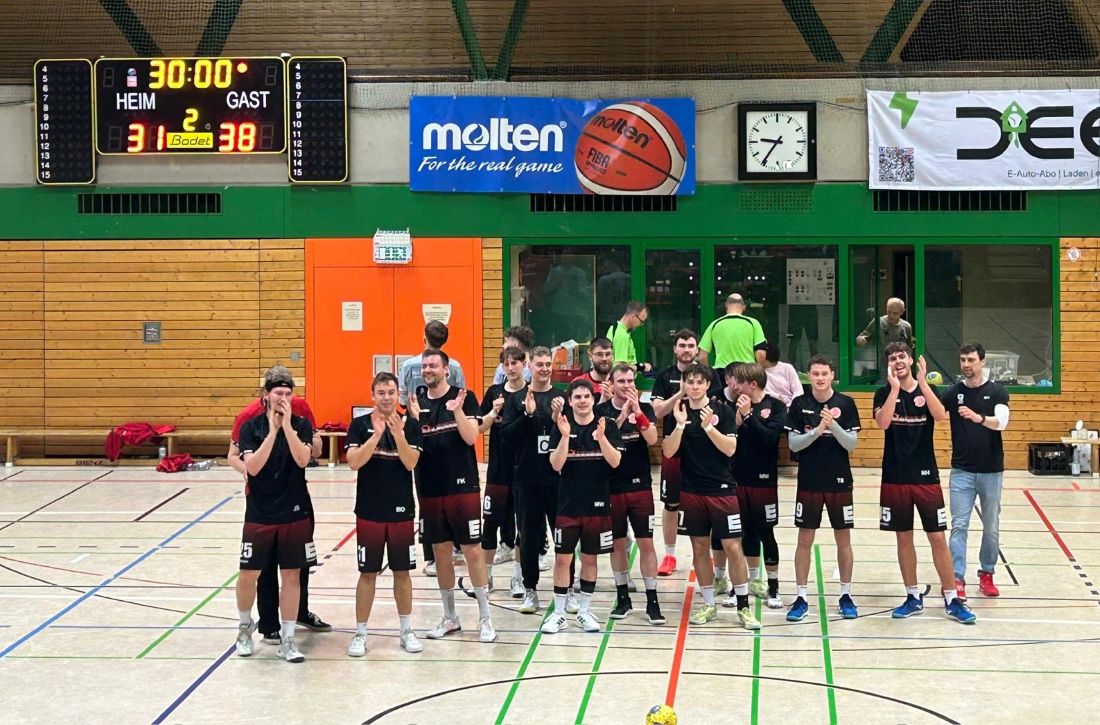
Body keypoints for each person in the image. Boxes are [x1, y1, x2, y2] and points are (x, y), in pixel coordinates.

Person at [874, 343, 976, 625]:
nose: (898, 361)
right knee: (903, 538)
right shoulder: (883, 393)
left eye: (902, 356)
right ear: (888, 364)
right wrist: (895, 390)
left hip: (926, 477)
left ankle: (951, 599)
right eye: (892, 358)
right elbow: (883, 423)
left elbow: (941, 416)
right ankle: (912, 596)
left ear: (910, 360)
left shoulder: (927, 389)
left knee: (937, 538)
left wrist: (922, 383)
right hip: (895, 477)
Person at [227, 365, 329, 645]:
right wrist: (250, 471)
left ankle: (298, 616)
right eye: (277, 393)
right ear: (266, 394)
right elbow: (234, 456)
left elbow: (313, 449)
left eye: (287, 393)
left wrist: (300, 436)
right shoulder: (249, 419)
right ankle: (267, 624)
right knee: (263, 567)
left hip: (294, 499)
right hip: (261, 500)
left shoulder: (300, 411)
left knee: (297, 566)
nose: (283, 398)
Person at [661, 363, 760, 630]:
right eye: (689, 382)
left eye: (699, 382)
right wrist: (679, 426)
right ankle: (708, 604)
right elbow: (668, 451)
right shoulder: (677, 412)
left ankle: (743, 606)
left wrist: (708, 428)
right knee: (699, 548)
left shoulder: (722, 411)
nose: (694, 386)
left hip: (722, 490)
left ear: (707, 385)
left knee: (732, 547)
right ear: (684, 384)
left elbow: (730, 449)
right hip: (691, 491)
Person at [408, 348, 497, 643]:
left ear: (446, 369)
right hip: (429, 490)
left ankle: (485, 618)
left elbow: (471, 437)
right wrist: (413, 420)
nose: (427, 370)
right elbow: (412, 446)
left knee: (472, 550)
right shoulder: (417, 402)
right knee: (441, 553)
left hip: (462, 487)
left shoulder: (464, 397)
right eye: (424, 366)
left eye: (433, 365)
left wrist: (457, 411)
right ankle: (450, 618)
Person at [344, 372, 424, 656]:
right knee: (368, 573)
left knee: (402, 573)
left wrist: (398, 435)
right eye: (381, 392)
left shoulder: (411, 426)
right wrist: (376, 436)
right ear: (373, 395)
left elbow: (411, 462)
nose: (386, 398)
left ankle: (406, 631)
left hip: (401, 511)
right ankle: (360, 633)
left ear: (397, 394)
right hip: (369, 511)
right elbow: (354, 462)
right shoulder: (359, 425)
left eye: (391, 392)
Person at [540, 379, 624, 634]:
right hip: (568, 506)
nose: (583, 401)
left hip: (597, 506)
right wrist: (565, 437)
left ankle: (584, 612)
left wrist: (602, 439)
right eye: (577, 397)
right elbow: (555, 464)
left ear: (593, 398)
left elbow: (615, 461)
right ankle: (559, 614)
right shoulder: (562, 425)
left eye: (586, 396)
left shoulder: (607, 424)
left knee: (590, 558)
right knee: (562, 559)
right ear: (570, 401)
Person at [784, 356, 861, 622]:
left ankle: (846, 595)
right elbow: (794, 444)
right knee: (804, 540)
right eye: (815, 373)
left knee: (843, 539)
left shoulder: (846, 403)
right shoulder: (799, 404)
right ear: (809, 376)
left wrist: (833, 425)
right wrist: (818, 430)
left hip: (839, 481)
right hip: (809, 481)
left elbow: (851, 444)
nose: (819, 378)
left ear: (832, 376)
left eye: (824, 373)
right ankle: (801, 597)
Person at [501, 346, 570, 615]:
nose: (544, 368)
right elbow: (507, 437)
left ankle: (567, 591)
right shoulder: (517, 399)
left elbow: (570, 433)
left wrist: (555, 421)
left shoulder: (561, 398)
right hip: (526, 479)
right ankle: (530, 589)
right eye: (539, 364)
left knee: (563, 537)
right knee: (528, 538)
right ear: (529, 366)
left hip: (557, 480)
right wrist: (527, 415)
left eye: (547, 364)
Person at [596, 363, 665, 625]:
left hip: (640, 486)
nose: (626, 386)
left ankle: (652, 601)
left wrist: (637, 412)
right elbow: (601, 440)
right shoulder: (601, 411)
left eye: (630, 381)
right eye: (621, 381)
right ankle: (623, 597)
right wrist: (622, 416)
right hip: (611, 487)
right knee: (617, 543)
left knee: (646, 543)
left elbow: (652, 438)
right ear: (611, 384)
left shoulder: (644, 408)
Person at [650, 330, 722, 576]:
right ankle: (669, 555)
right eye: (682, 345)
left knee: (705, 503)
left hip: (704, 450)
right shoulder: (664, 376)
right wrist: (680, 393)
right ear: (675, 349)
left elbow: (717, 407)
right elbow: (657, 412)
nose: (687, 349)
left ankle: (705, 555)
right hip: (675, 447)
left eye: (691, 345)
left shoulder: (710, 376)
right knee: (671, 504)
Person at [942, 342, 1011, 600]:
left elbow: (1002, 422)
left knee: (991, 526)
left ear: (982, 361)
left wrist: (978, 417)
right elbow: (935, 412)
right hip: (962, 471)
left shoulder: (996, 392)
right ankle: (956, 577)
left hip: (991, 471)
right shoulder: (953, 393)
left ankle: (987, 573)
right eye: (963, 360)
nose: (966, 365)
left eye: (971, 360)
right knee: (959, 525)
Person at [399, 320, 465, 574]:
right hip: (448, 431)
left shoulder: (408, 365)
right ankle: (456, 545)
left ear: (424, 337)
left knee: (425, 493)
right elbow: (460, 395)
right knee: (452, 491)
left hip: (419, 431)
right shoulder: (454, 366)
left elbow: (403, 399)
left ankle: (431, 556)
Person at [727, 363, 786, 610]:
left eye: (739, 382)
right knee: (740, 534)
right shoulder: (733, 406)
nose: (735, 386)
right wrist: (738, 419)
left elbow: (769, 439)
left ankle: (773, 587)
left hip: (764, 480)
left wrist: (749, 416)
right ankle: (741, 584)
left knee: (765, 533)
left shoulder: (776, 406)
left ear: (752, 384)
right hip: (737, 479)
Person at [479, 346, 527, 595]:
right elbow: (479, 427)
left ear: (523, 364)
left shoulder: (530, 393)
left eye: (515, 362)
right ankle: (486, 576)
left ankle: (517, 577)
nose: (510, 367)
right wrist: (493, 411)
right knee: (490, 524)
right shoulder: (494, 392)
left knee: (522, 527)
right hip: (497, 471)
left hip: (523, 471)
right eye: (506, 363)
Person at [398, 320, 466, 406]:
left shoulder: (408, 365)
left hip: (416, 412)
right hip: (446, 413)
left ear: (425, 340)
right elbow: (461, 397)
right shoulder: (455, 367)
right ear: (444, 341)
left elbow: (403, 401)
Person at [699, 293, 767, 368]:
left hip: (722, 372)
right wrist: (757, 370)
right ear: (744, 307)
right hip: (746, 371)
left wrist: (709, 372)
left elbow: (702, 357)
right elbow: (761, 354)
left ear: (726, 306)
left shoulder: (714, 325)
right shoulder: (753, 323)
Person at [607, 300, 652, 372]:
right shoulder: (622, 335)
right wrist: (641, 366)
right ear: (633, 317)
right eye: (641, 321)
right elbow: (620, 367)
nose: (641, 325)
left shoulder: (614, 328)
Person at [761, 341, 803, 407]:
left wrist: (793, 408)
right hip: (766, 408)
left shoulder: (787, 368)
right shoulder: (757, 371)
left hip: (788, 407)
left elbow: (798, 392)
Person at [573, 336, 614, 403]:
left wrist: (612, 399)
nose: (604, 358)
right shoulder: (578, 383)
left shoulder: (621, 382)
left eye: (608, 354)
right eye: (599, 354)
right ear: (590, 356)